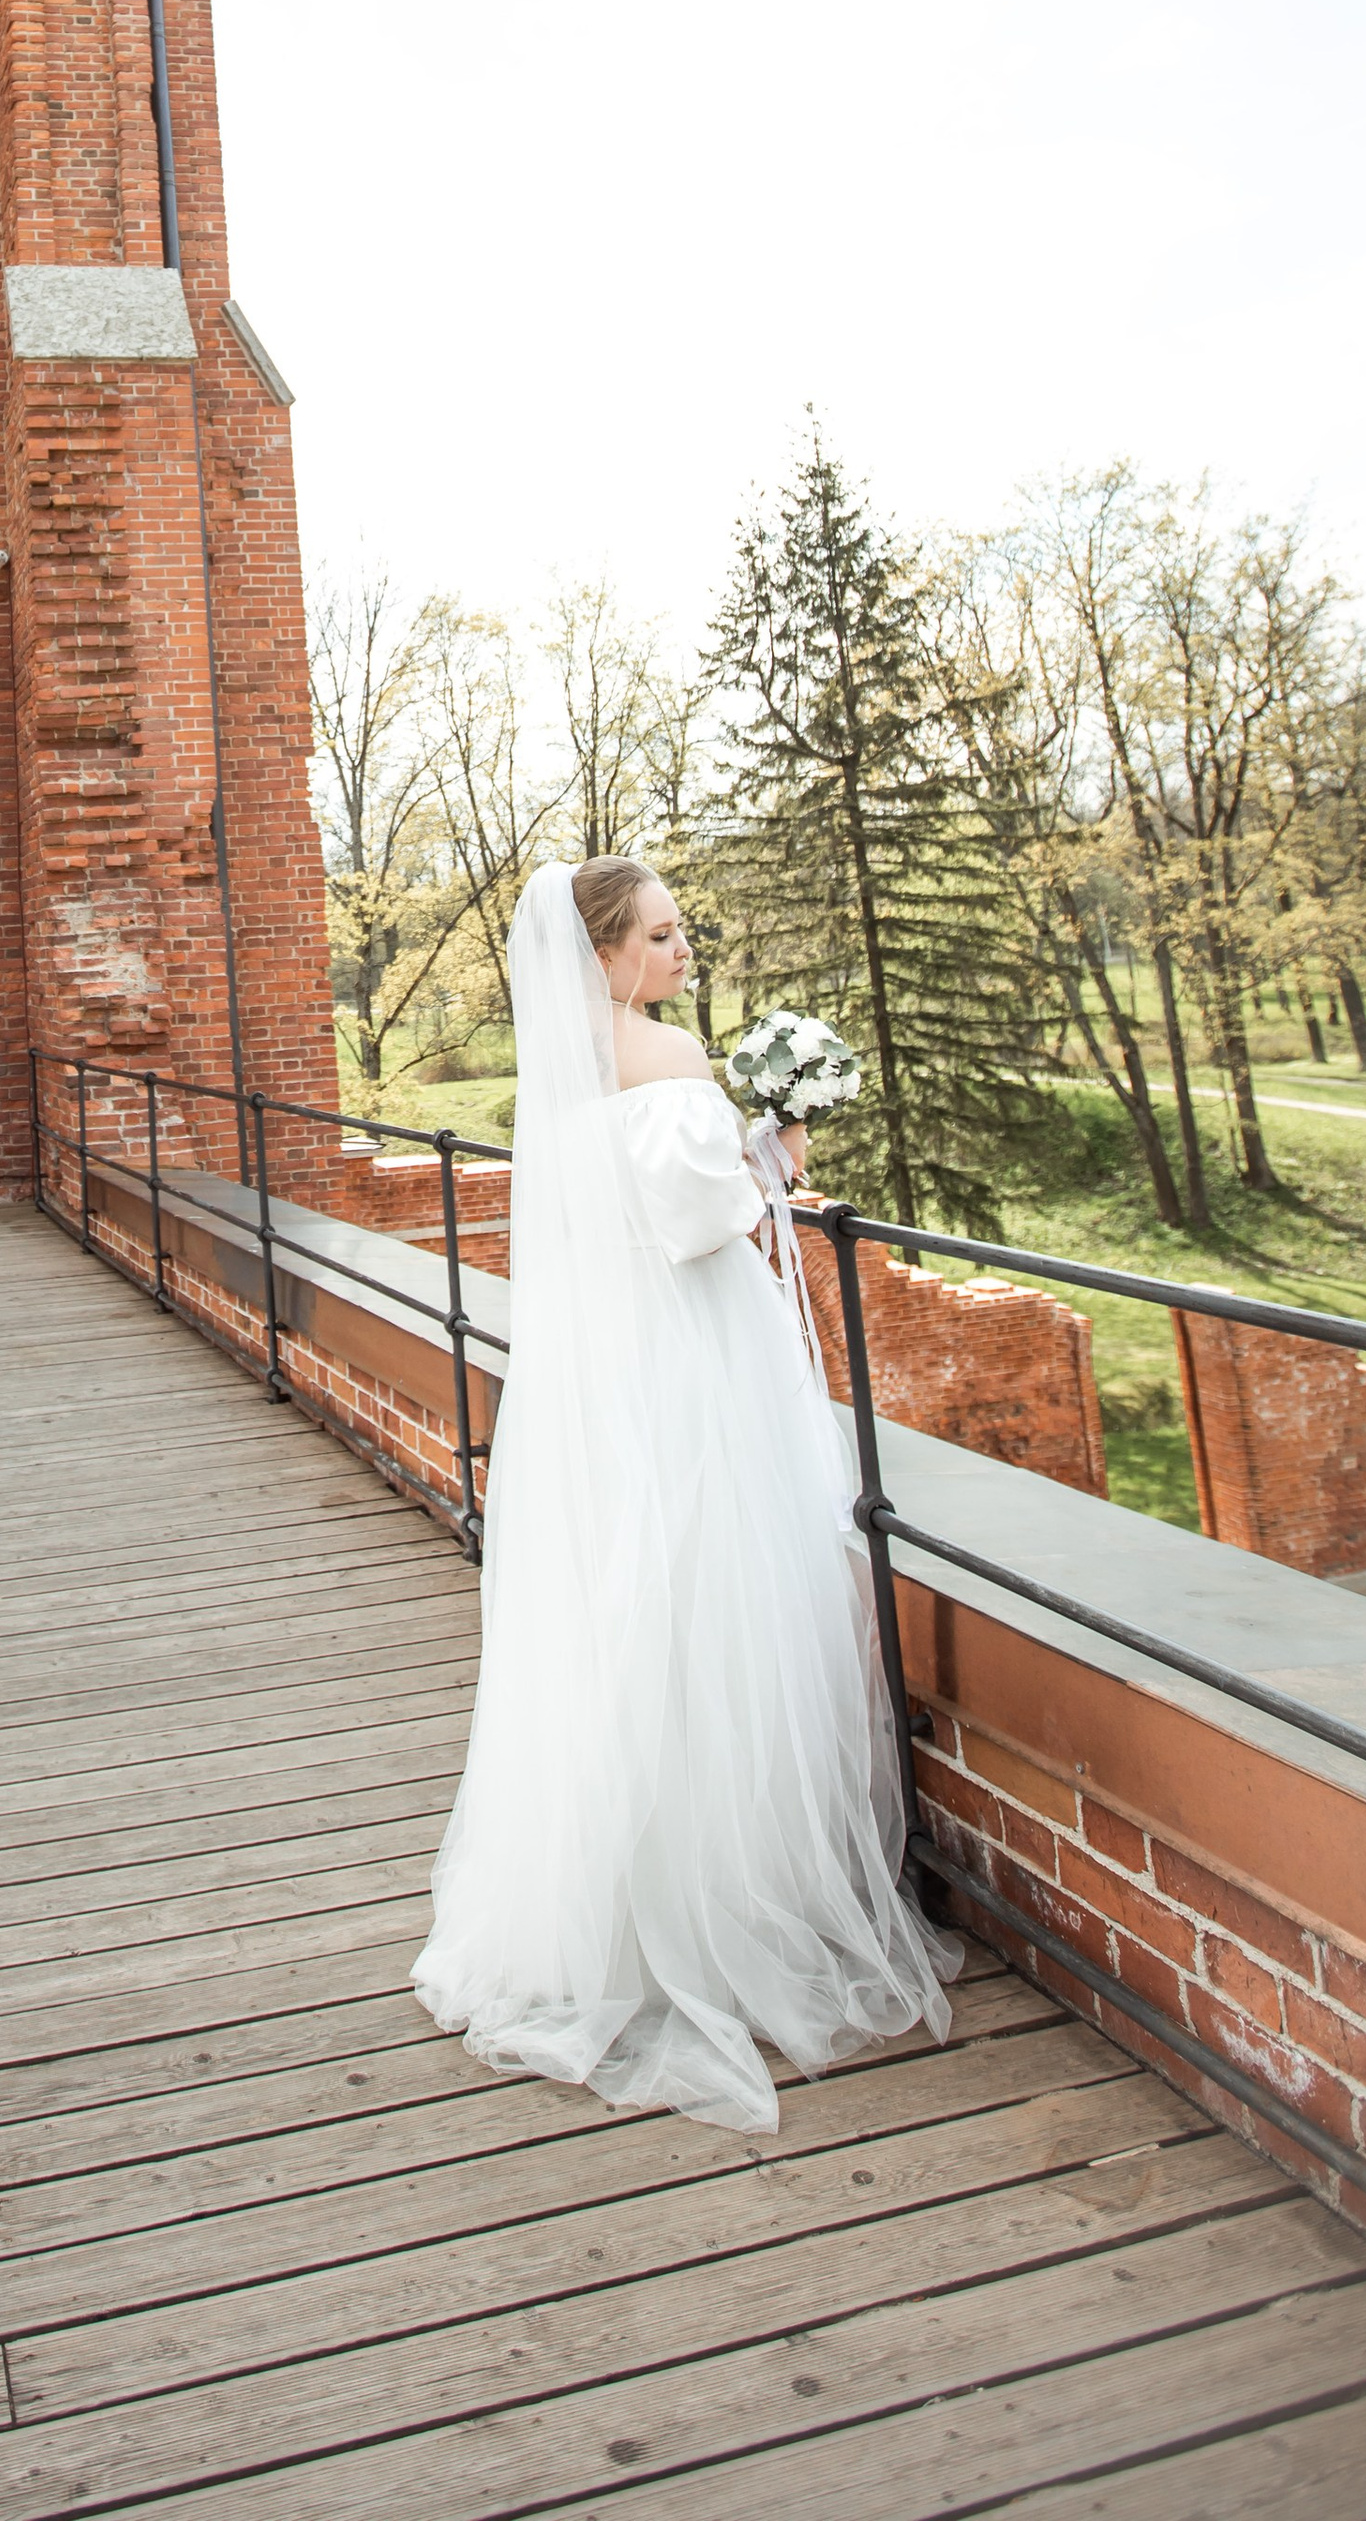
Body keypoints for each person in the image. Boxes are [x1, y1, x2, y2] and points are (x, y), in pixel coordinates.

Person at [411, 854, 954, 2132]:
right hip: (704, 1361)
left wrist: (744, 1150)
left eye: (680, 932)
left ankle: (620, 1921)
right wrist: (779, 1156)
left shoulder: (563, 1072)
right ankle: (733, 1911)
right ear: (603, 955)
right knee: (727, 1599)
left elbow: (637, 1208)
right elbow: (709, 1220)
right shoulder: (665, 1057)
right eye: (660, 937)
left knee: (633, 1613)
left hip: (617, 1369)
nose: (681, 951)